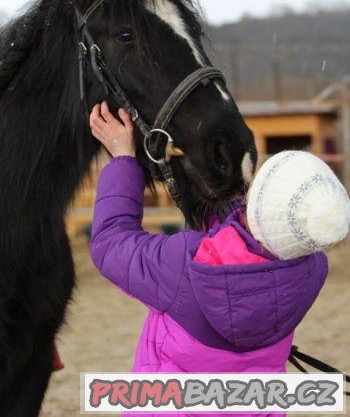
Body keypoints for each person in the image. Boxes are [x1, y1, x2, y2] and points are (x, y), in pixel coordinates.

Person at [88, 101, 331, 417]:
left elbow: (110, 243)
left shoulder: (186, 264)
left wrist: (122, 157)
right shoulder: (309, 269)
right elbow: (248, 234)